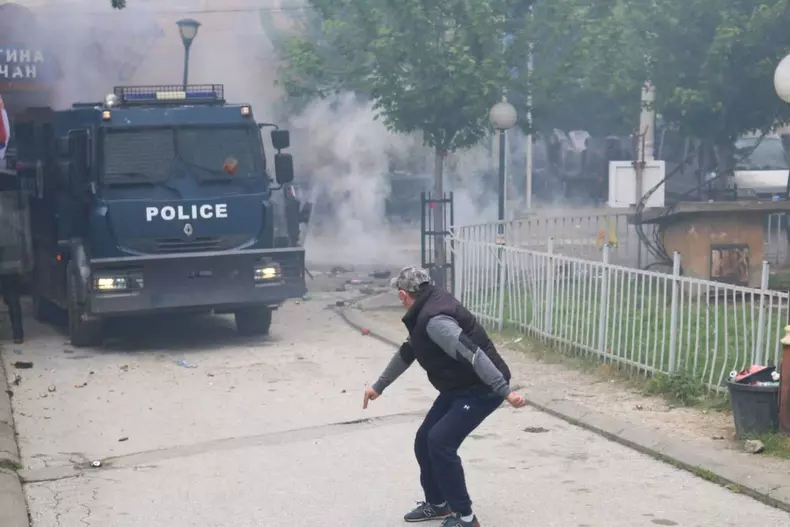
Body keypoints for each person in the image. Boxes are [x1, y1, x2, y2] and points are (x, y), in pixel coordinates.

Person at [363, 266, 526, 527]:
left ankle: (465, 517)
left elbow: (474, 354)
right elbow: (408, 351)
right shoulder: (424, 311)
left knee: (440, 442)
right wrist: (378, 387)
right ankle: (438, 504)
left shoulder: (436, 321)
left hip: (482, 389)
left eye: (398, 293)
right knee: (423, 440)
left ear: (404, 295)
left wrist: (505, 391)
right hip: (458, 388)